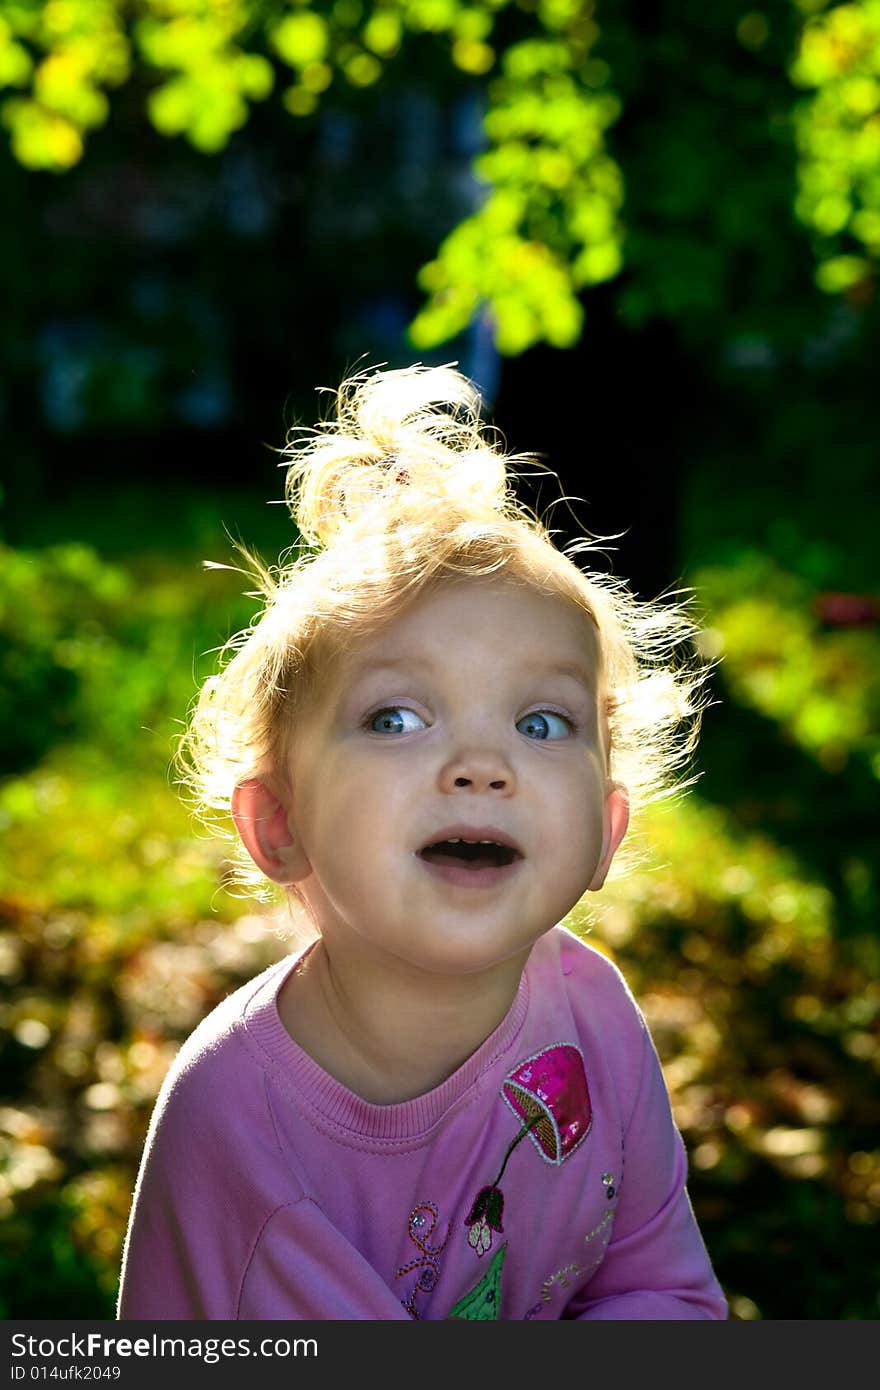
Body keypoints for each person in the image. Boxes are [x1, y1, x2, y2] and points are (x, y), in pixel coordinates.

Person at [117, 363, 727, 1321]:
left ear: (606, 830)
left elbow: (662, 1291)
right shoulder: (240, 1123)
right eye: (398, 719)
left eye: (542, 723)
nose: (483, 765)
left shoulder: (591, 1012)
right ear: (278, 823)